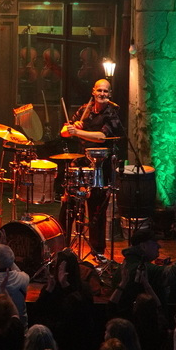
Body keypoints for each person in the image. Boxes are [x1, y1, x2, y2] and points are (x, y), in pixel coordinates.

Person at [60, 78, 125, 259]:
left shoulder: (112, 113)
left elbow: (101, 137)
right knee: (69, 204)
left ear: (109, 94)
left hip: (100, 167)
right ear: (93, 91)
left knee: (96, 210)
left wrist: (78, 132)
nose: (102, 94)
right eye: (99, 90)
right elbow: (63, 132)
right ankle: (62, 246)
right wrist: (72, 127)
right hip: (81, 163)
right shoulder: (84, 110)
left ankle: (97, 251)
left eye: (106, 91)